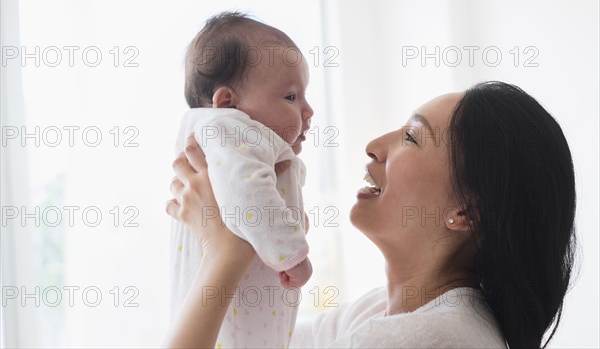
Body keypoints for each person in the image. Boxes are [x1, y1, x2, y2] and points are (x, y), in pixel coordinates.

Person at [166, 81, 577, 349]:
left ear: (466, 211)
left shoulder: (428, 339)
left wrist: (225, 249)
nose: (375, 145)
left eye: (412, 137)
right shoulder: (383, 312)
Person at [171, 12, 314, 349]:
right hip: (231, 326)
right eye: (291, 97)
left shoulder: (236, 141)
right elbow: (247, 195)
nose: (308, 110)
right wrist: (293, 255)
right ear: (227, 102)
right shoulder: (227, 128)